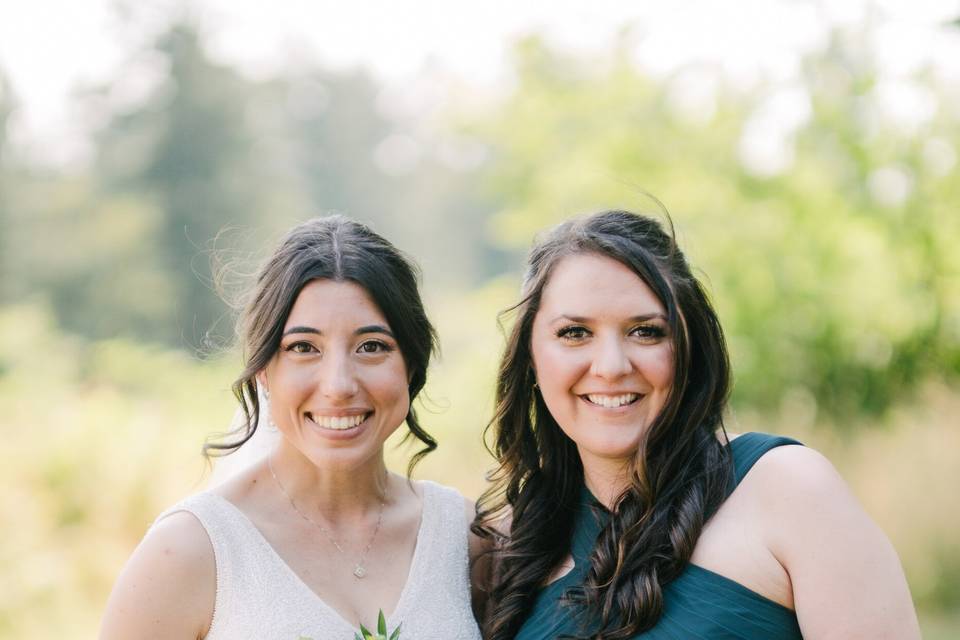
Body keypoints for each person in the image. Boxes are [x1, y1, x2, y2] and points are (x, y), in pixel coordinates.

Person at [473, 209, 920, 639]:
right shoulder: (510, 542)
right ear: (529, 357)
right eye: (574, 333)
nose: (610, 366)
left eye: (646, 331)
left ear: (690, 347)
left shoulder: (790, 491)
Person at [101, 216, 483, 640]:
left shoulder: (468, 538)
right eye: (303, 348)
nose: (338, 385)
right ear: (263, 369)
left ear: (411, 365)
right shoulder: (190, 551)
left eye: (371, 346)